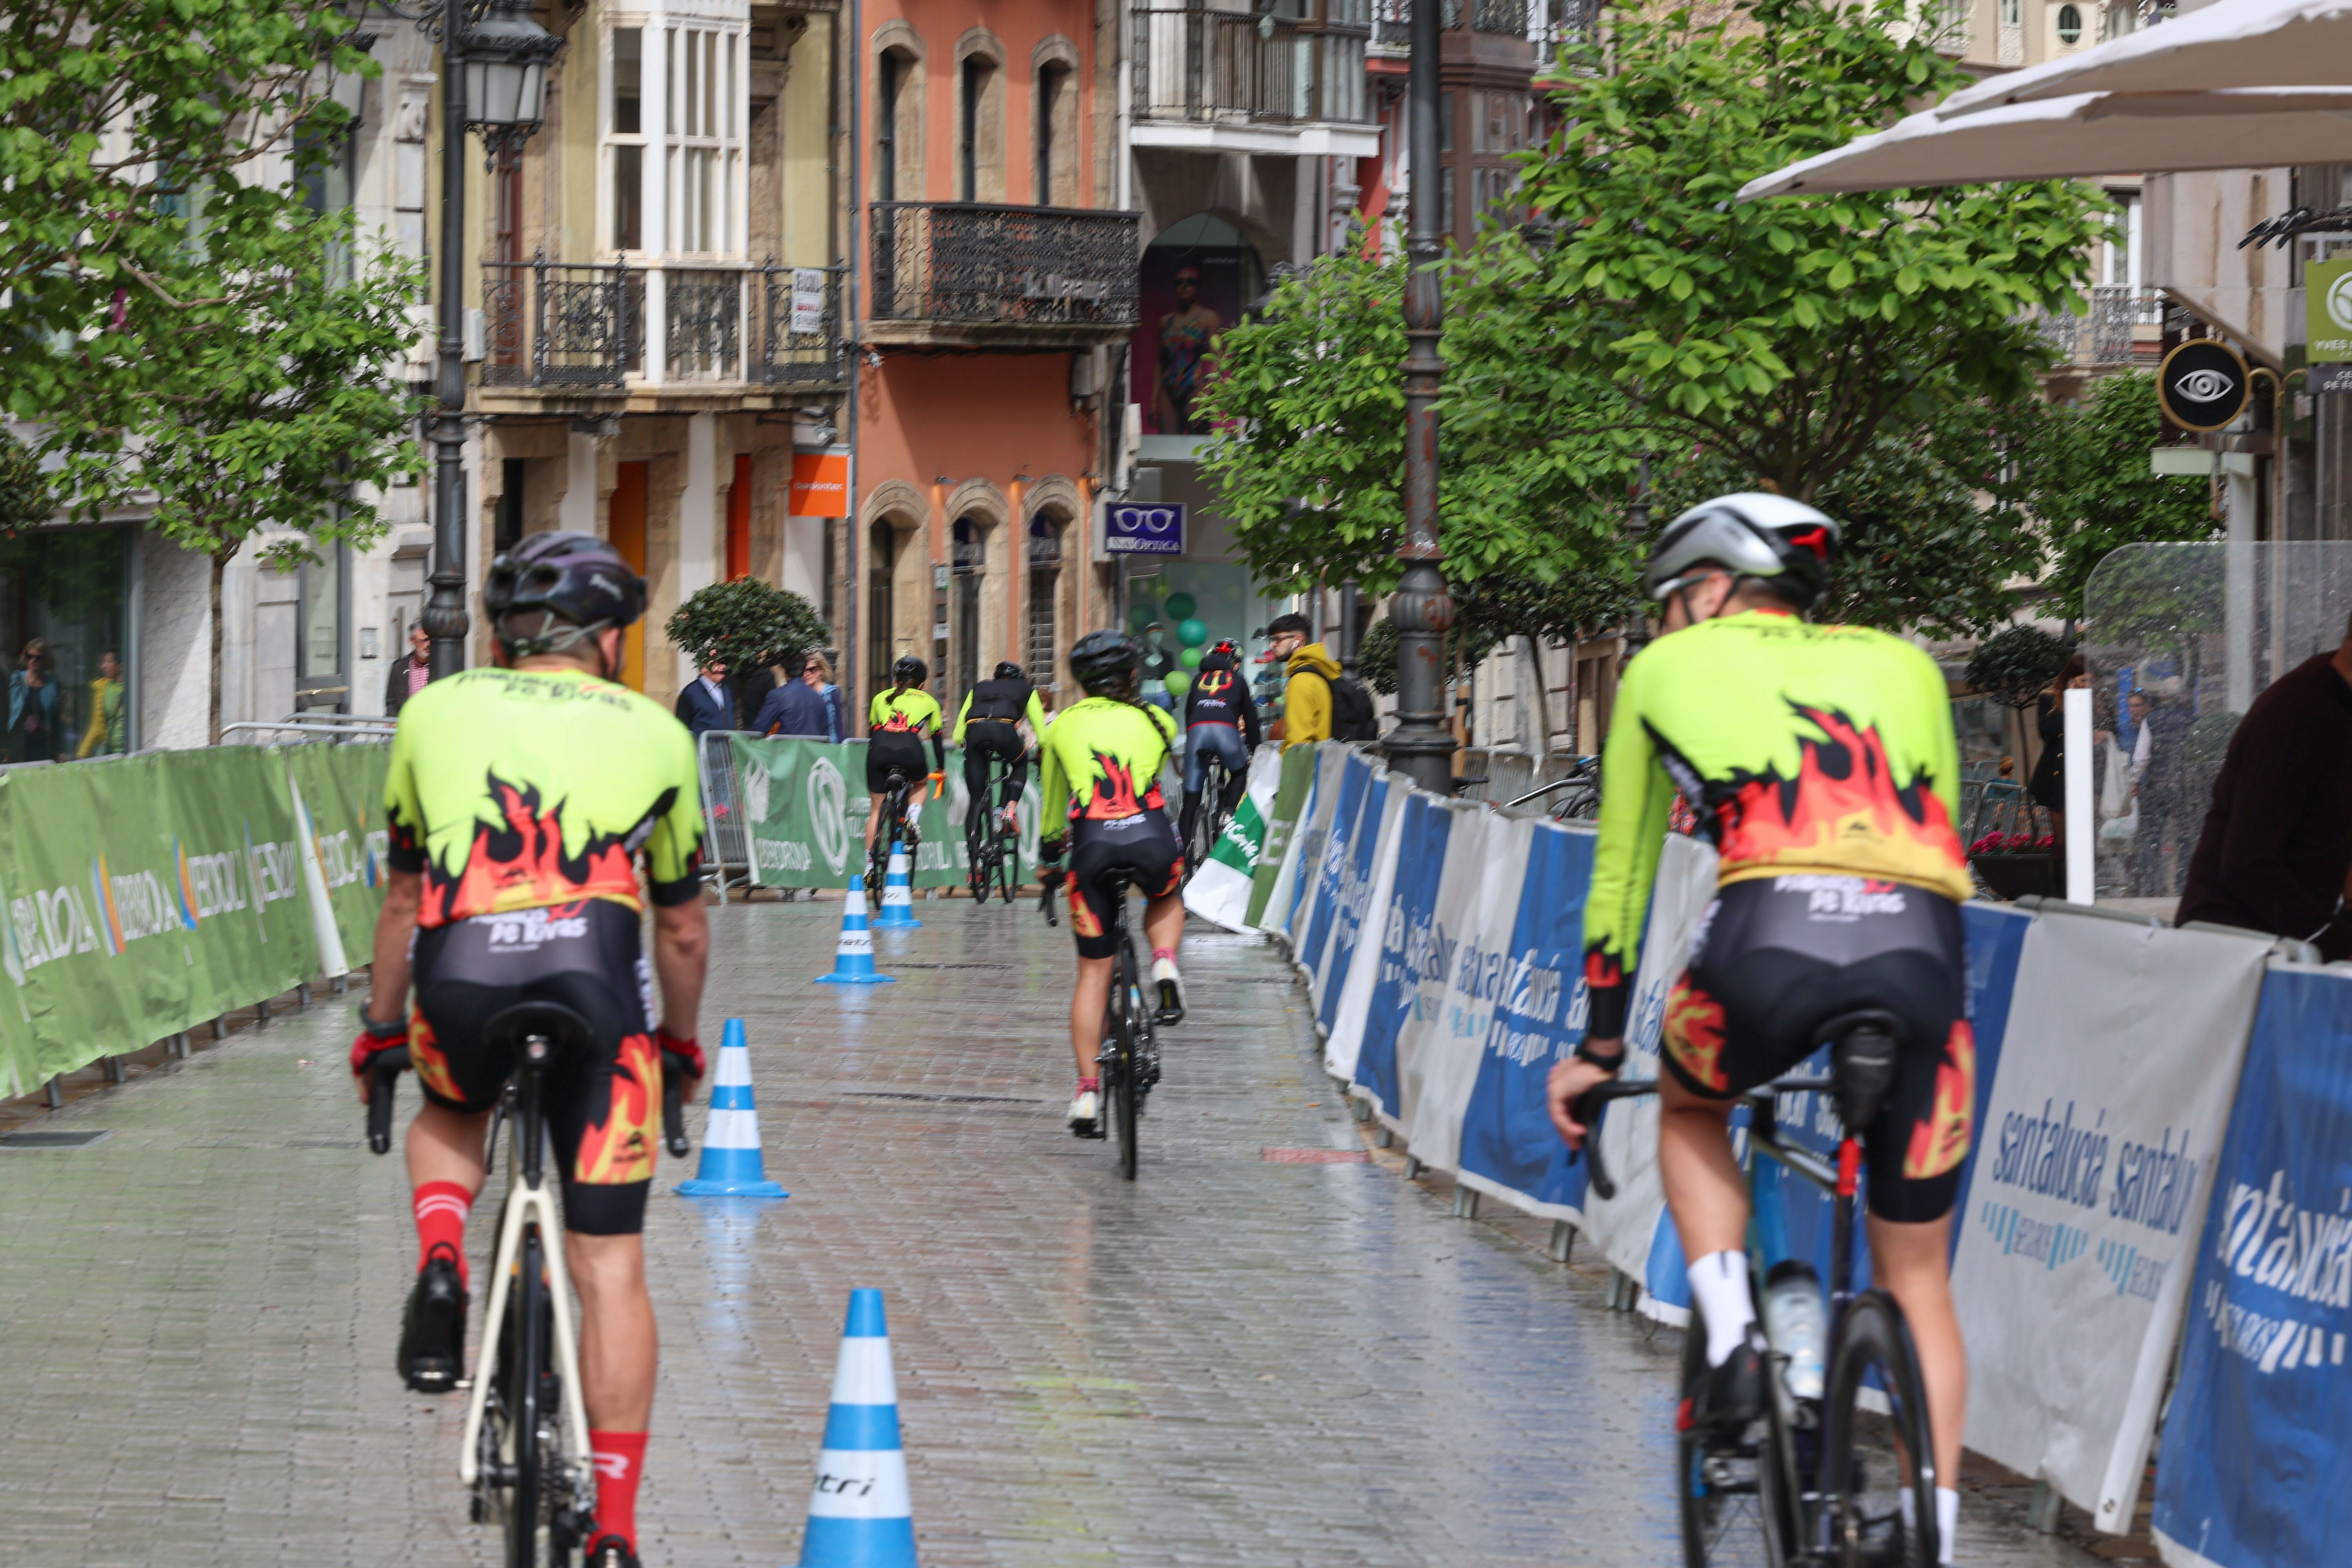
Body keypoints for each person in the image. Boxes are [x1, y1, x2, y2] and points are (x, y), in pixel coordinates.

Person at [1542, 494, 1976, 1565]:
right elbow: (1942, 835)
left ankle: (1735, 1339)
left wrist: (1600, 1050)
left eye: (1671, 601)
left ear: (1712, 586)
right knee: (1917, 1274)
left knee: (1691, 1109)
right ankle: (1940, 1535)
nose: (1665, 622)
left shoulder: (1659, 672)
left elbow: (1624, 877)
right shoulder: (1907, 665)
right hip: (1923, 958)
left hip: (1765, 943)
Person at [348, 531, 708, 1568]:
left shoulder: (430, 711)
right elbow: (681, 930)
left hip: (460, 977)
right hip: (598, 990)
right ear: (605, 637)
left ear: (508, 635)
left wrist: (381, 1031)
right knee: (610, 1268)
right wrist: (680, 1047)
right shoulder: (656, 732)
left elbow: (407, 898)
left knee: (453, 1107)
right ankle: (616, 1529)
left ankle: (446, 1256)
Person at [1036, 631, 1186, 1136]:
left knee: (1094, 976)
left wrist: (1048, 860)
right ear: (1130, 676)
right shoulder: (1157, 718)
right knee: (1165, 893)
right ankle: (1164, 963)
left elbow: (1055, 811)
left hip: (1092, 845)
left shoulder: (1060, 729)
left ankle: (1085, 1093)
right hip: (1150, 837)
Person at [2175, 617, 2352, 959]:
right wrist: (2333, 940)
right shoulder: (2299, 713)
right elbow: (2247, 863)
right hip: (2232, 952)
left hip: (2287, 943)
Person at [1178, 639, 1261, 850]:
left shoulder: (1198, 678)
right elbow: (1251, 720)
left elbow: (1189, 713)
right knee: (1240, 772)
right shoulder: (1238, 680)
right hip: (1226, 732)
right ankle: (1226, 812)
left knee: (1191, 799)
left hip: (1197, 733)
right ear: (1235, 663)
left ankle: (1184, 862)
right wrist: (1257, 748)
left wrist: (1193, 746)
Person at [955, 660, 1049, 841]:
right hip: (1004, 732)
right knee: (1020, 764)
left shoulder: (979, 688)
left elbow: (958, 735)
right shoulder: (1026, 688)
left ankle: (974, 866)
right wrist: (1041, 751)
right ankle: (1009, 810)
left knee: (975, 801)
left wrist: (963, 743)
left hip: (975, 733)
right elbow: (1041, 733)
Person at [866, 655, 947, 860]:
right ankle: (912, 817)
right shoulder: (930, 702)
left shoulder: (879, 697)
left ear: (896, 681)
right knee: (920, 785)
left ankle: (869, 865)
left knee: (876, 809)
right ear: (922, 684)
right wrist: (941, 768)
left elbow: (872, 732)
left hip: (879, 747)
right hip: (910, 747)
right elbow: (937, 738)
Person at [2026, 653, 2088, 856]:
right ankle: (2060, 884)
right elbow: (2047, 733)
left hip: (2084, 773)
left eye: (2090, 682)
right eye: (2083, 681)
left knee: (2083, 838)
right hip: (2058, 774)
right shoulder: (2050, 698)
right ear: (2072, 678)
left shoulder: (2094, 698)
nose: (2086, 686)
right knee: (2062, 840)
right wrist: (2070, 702)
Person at [1152, 265, 1224, 435]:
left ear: (1198, 287)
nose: (1184, 286)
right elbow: (1159, 362)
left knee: (1198, 442)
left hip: (1195, 386)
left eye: (1190, 282)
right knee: (1167, 446)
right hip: (1169, 387)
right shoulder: (1165, 322)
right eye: (1179, 283)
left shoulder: (1209, 319)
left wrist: (1208, 393)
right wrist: (1154, 400)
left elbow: (1217, 360)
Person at [1263, 613, 1340, 750]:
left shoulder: (1301, 681)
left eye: (1278, 639)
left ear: (1297, 641)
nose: (1272, 644)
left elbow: (1298, 745)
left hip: (1306, 769)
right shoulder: (1318, 672)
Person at [751, 653, 833, 739]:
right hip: (813, 751)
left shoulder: (777, 696)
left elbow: (759, 730)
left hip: (787, 750)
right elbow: (826, 735)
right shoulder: (819, 698)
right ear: (803, 671)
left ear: (785, 671)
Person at [7, 638, 60, 763]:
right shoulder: (18, 680)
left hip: (44, 746)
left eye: (38, 658)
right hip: (20, 745)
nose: (33, 661)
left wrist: (58, 749)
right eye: (30, 656)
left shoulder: (52, 684)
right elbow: (7, 710)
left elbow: (56, 718)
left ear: (46, 660)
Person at [75, 651, 127, 759]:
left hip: (129, 749)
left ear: (121, 666)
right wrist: (82, 754)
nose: (103, 667)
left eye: (109, 662)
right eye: (103, 663)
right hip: (111, 752)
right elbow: (96, 726)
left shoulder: (133, 687)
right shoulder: (103, 688)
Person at [674, 655, 735, 737]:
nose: (723, 667)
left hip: (726, 747)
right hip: (704, 747)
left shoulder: (727, 689)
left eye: (724, 664)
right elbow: (682, 727)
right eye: (717, 664)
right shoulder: (691, 693)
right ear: (704, 669)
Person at [383, 622, 432, 718]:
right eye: (423, 641)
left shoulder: (440, 666)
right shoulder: (400, 667)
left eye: (429, 640)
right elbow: (391, 701)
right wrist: (393, 721)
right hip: (409, 725)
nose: (428, 645)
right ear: (412, 641)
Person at [809, 652, 846, 744]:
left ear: (822, 670)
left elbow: (838, 725)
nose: (808, 674)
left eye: (813, 669)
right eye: (805, 671)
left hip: (830, 744)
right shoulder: (803, 693)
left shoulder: (832, 693)